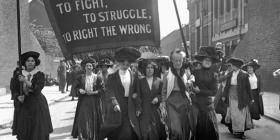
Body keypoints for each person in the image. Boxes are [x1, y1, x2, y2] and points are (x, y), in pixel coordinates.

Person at [10, 51, 53, 140]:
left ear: (35, 63)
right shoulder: (18, 73)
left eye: (32, 61)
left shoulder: (39, 74)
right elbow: (13, 88)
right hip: (23, 105)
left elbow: (37, 90)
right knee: (24, 128)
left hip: (37, 104)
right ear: (24, 63)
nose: (30, 62)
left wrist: (25, 80)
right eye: (28, 61)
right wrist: (18, 96)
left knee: (37, 130)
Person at [101, 47, 141, 140]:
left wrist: (136, 95)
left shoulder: (134, 75)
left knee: (131, 130)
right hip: (118, 106)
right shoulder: (112, 77)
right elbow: (109, 92)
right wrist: (114, 103)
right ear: (119, 62)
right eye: (123, 63)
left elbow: (138, 89)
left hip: (131, 105)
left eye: (128, 63)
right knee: (119, 131)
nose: (125, 65)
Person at [160, 49, 192, 140]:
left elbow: (192, 82)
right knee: (175, 129)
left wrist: (190, 82)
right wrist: (163, 104)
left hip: (184, 102)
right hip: (171, 103)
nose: (178, 63)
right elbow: (164, 91)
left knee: (184, 128)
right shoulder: (167, 74)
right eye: (176, 61)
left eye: (180, 60)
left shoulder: (186, 73)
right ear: (172, 61)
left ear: (182, 61)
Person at [71, 58, 104, 140]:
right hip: (84, 101)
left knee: (94, 118)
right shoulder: (80, 78)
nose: (89, 67)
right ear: (84, 67)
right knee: (83, 118)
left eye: (90, 66)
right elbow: (74, 88)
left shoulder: (98, 78)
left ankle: (94, 136)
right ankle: (84, 136)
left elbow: (102, 89)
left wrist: (95, 92)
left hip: (95, 102)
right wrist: (79, 90)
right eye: (87, 66)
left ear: (93, 67)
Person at [222, 57, 254, 139]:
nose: (231, 67)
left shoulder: (244, 74)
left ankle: (241, 132)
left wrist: (251, 97)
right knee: (234, 115)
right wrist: (224, 95)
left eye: (232, 65)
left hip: (241, 98)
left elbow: (248, 87)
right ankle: (234, 130)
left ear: (236, 66)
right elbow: (227, 86)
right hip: (231, 97)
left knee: (241, 115)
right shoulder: (230, 74)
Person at [192, 46, 220, 140]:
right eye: (205, 59)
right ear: (201, 60)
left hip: (207, 106)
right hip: (196, 104)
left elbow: (214, 92)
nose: (207, 61)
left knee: (208, 131)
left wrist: (200, 91)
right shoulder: (194, 72)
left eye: (209, 60)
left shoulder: (214, 75)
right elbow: (191, 85)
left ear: (212, 62)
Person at [137, 60, 165, 140]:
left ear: (154, 69)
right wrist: (138, 108)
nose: (150, 69)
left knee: (155, 130)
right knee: (145, 131)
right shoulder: (140, 81)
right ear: (144, 69)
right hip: (144, 110)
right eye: (148, 68)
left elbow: (162, 94)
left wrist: (157, 98)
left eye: (151, 68)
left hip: (155, 110)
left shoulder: (159, 81)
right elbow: (138, 96)